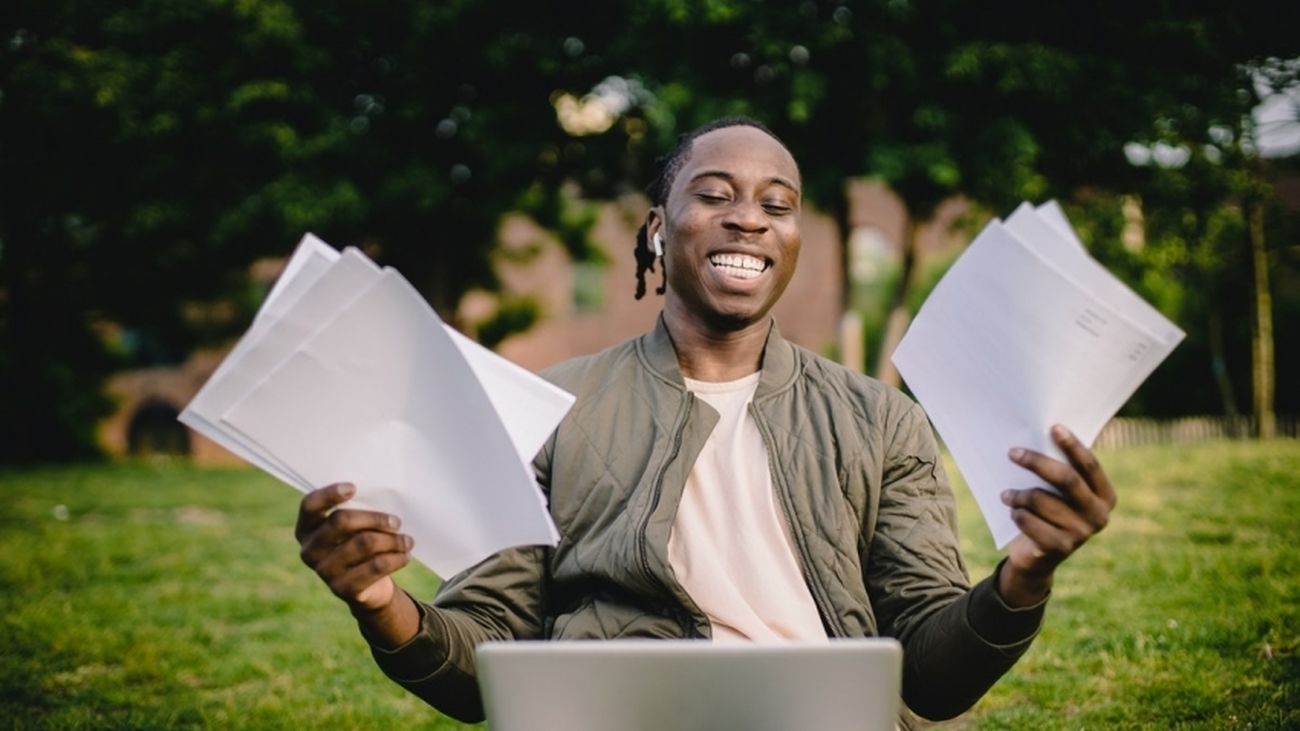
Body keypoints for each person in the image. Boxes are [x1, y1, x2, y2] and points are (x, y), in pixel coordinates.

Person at [294, 117, 1116, 728]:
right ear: (658, 229)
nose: (749, 218)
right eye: (714, 195)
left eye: (777, 204)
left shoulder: (881, 421)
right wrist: (378, 599)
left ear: (793, 240)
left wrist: (1025, 576)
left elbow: (933, 678)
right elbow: (485, 665)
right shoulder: (546, 411)